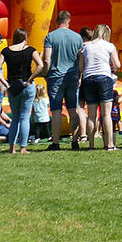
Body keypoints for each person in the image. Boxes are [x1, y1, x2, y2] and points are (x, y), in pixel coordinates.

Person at [0, 27, 44, 154]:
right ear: (25, 38)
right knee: (24, 118)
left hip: (12, 86)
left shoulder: (6, 51)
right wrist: (30, 79)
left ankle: (12, 148)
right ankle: (23, 147)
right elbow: (41, 65)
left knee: (15, 118)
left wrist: (5, 83)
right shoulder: (31, 50)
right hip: (27, 85)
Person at [42, 10, 84, 151]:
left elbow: (47, 59)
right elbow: (80, 60)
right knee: (73, 109)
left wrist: (45, 74)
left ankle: (55, 142)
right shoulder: (77, 37)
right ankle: (75, 140)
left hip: (55, 76)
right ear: (69, 21)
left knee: (56, 111)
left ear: (57, 21)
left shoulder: (50, 36)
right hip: (72, 76)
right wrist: (79, 76)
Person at [78, 24, 120, 150]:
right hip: (104, 78)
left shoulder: (85, 47)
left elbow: (81, 68)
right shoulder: (109, 46)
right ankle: (110, 144)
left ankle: (91, 145)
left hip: (88, 79)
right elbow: (117, 64)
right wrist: (112, 69)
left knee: (91, 115)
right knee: (106, 114)